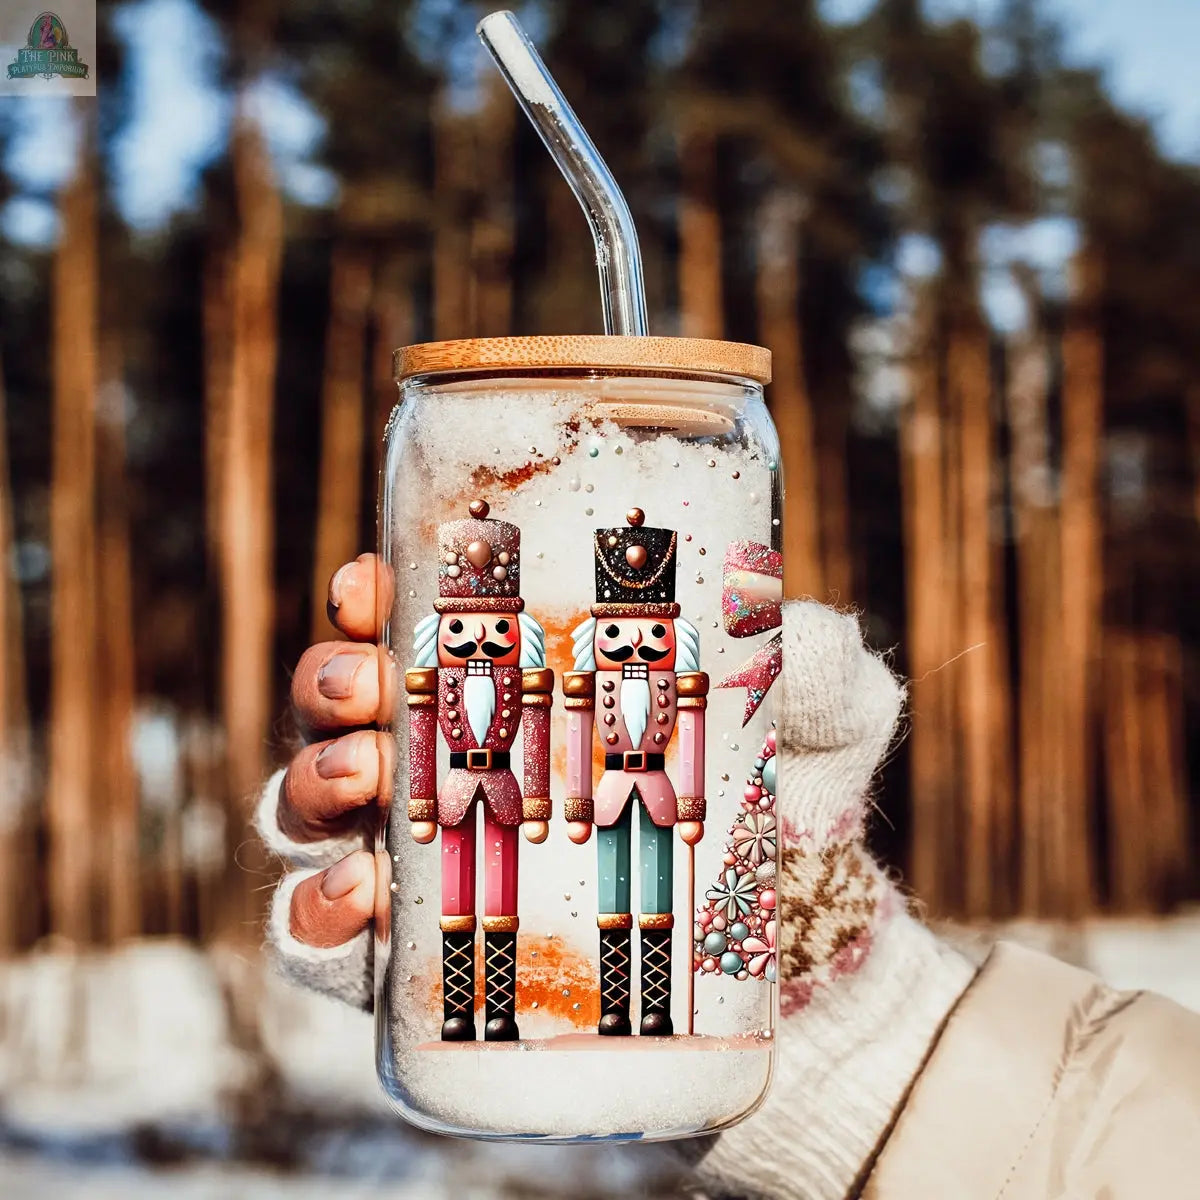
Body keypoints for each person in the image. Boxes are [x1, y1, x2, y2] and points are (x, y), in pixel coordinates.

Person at [257, 553, 1200, 1199]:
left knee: (642, 934)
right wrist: (847, 1033)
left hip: (637, 833)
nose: (630, 656)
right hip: (530, 847)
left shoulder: (660, 707)